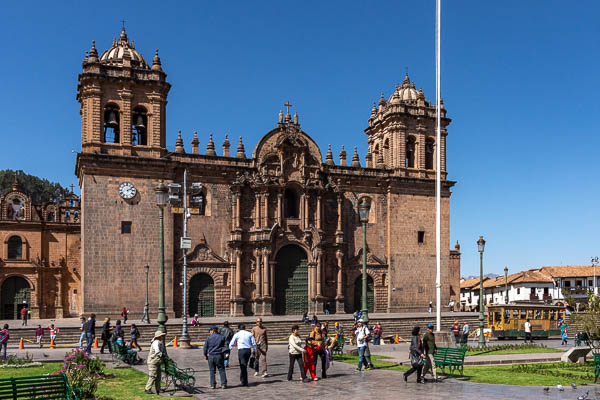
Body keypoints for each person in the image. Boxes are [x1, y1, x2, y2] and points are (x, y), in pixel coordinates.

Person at [204, 325, 228, 389]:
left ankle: (212, 385)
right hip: (219, 355)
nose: (209, 332)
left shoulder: (209, 338)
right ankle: (223, 384)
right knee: (221, 370)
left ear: (212, 331)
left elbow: (205, 348)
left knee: (212, 371)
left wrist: (206, 355)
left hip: (211, 356)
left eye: (210, 331)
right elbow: (226, 346)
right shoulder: (222, 337)